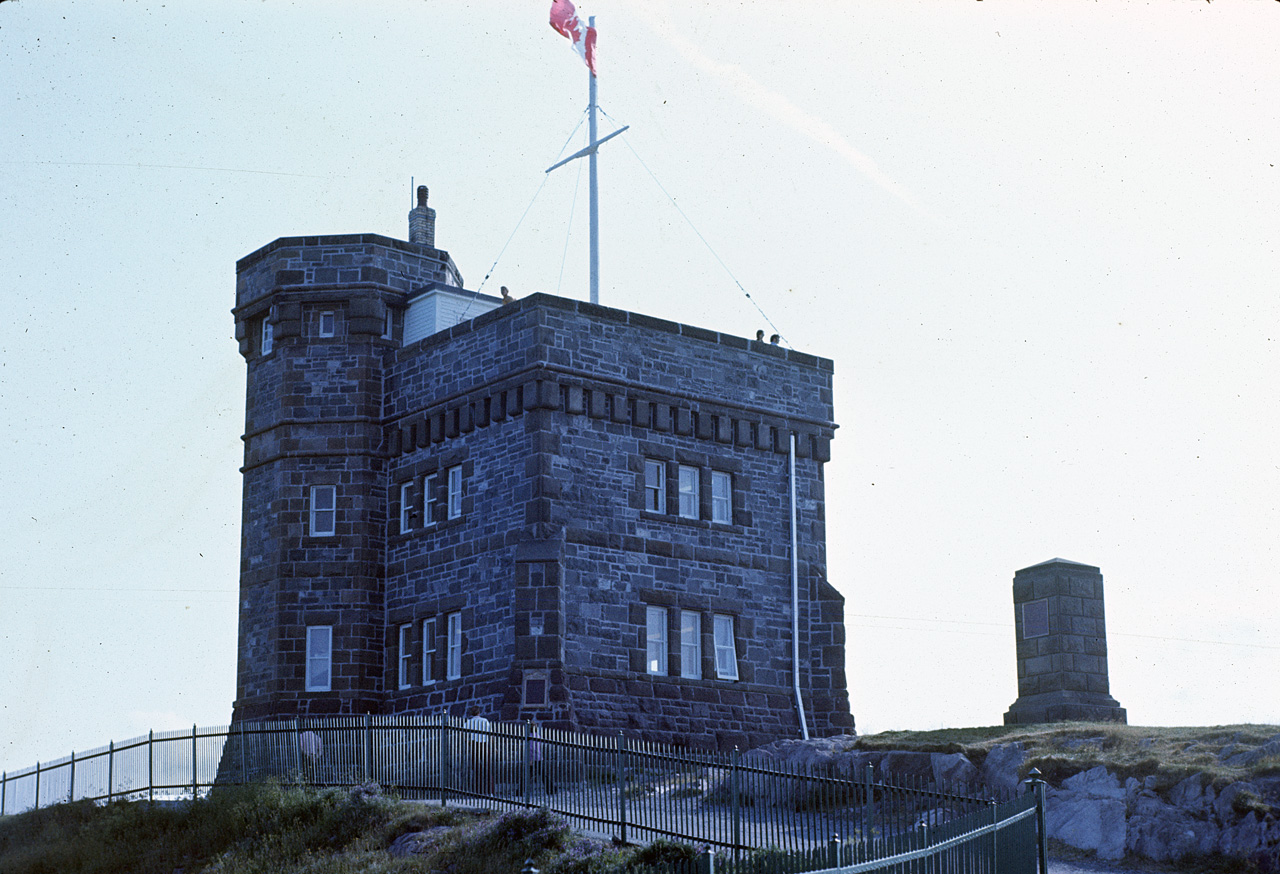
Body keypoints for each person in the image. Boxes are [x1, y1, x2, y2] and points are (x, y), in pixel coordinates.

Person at [464, 705, 492, 795]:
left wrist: (468, 741)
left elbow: (463, 733)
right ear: (479, 712)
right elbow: (490, 734)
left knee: (476, 769)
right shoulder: (485, 721)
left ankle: (478, 791)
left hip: (474, 745)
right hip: (484, 745)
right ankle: (489, 791)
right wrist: (491, 746)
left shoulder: (469, 722)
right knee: (488, 769)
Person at [529, 723, 555, 796]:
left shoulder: (530, 737)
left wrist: (530, 759)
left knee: (528, 775)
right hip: (539, 758)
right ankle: (551, 789)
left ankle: (520, 791)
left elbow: (531, 749)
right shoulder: (538, 736)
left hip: (533, 758)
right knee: (543, 775)